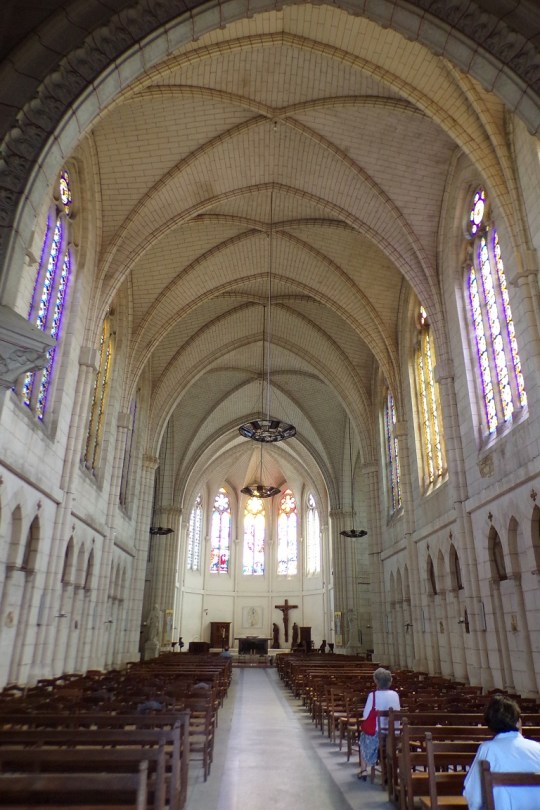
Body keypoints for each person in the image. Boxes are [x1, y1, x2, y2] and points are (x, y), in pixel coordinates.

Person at [463, 694, 540, 810]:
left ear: (490, 724)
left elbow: (475, 798)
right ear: (518, 722)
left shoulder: (488, 749)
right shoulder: (537, 748)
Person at [358, 667, 400, 783]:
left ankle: (363, 770)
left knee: (363, 737)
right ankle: (386, 769)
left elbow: (365, 715)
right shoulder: (395, 694)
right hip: (394, 734)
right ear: (389, 681)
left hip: (378, 736)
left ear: (376, 681)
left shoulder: (373, 695)